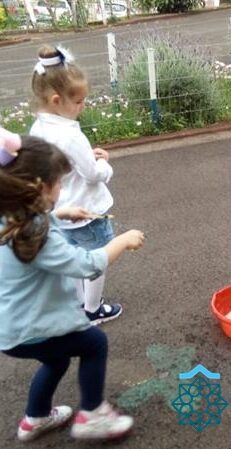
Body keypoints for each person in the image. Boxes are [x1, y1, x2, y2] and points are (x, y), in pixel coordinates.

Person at [0, 134, 144, 441]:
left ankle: (35, 418)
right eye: (59, 183)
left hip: (10, 328)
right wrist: (122, 240)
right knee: (94, 344)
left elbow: (31, 222)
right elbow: (87, 264)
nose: (62, 189)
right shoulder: (37, 233)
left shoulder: (9, 217)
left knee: (57, 359)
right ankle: (92, 416)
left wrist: (58, 213)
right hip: (33, 327)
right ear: (40, 188)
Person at [29, 45, 122, 324]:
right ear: (57, 100)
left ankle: (79, 303)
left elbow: (62, 161)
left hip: (60, 211)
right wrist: (105, 164)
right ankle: (92, 310)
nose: (83, 106)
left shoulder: (38, 128)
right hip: (87, 210)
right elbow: (92, 174)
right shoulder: (70, 134)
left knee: (72, 258)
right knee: (96, 259)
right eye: (79, 101)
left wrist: (84, 157)